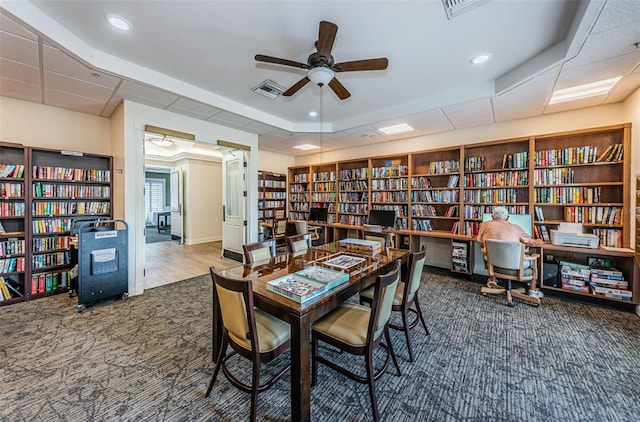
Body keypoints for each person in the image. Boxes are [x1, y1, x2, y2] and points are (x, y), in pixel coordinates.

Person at [477, 206, 544, 298]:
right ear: (508, 218)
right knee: (533, 259)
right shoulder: (516, 228)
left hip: (493, 263)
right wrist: (540, 240)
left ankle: (492, 281)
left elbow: (480, 242)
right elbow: (533, 243)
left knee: (489, 253)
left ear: (492, 217)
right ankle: (532, 290)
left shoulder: (484, 225)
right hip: (514, 265)